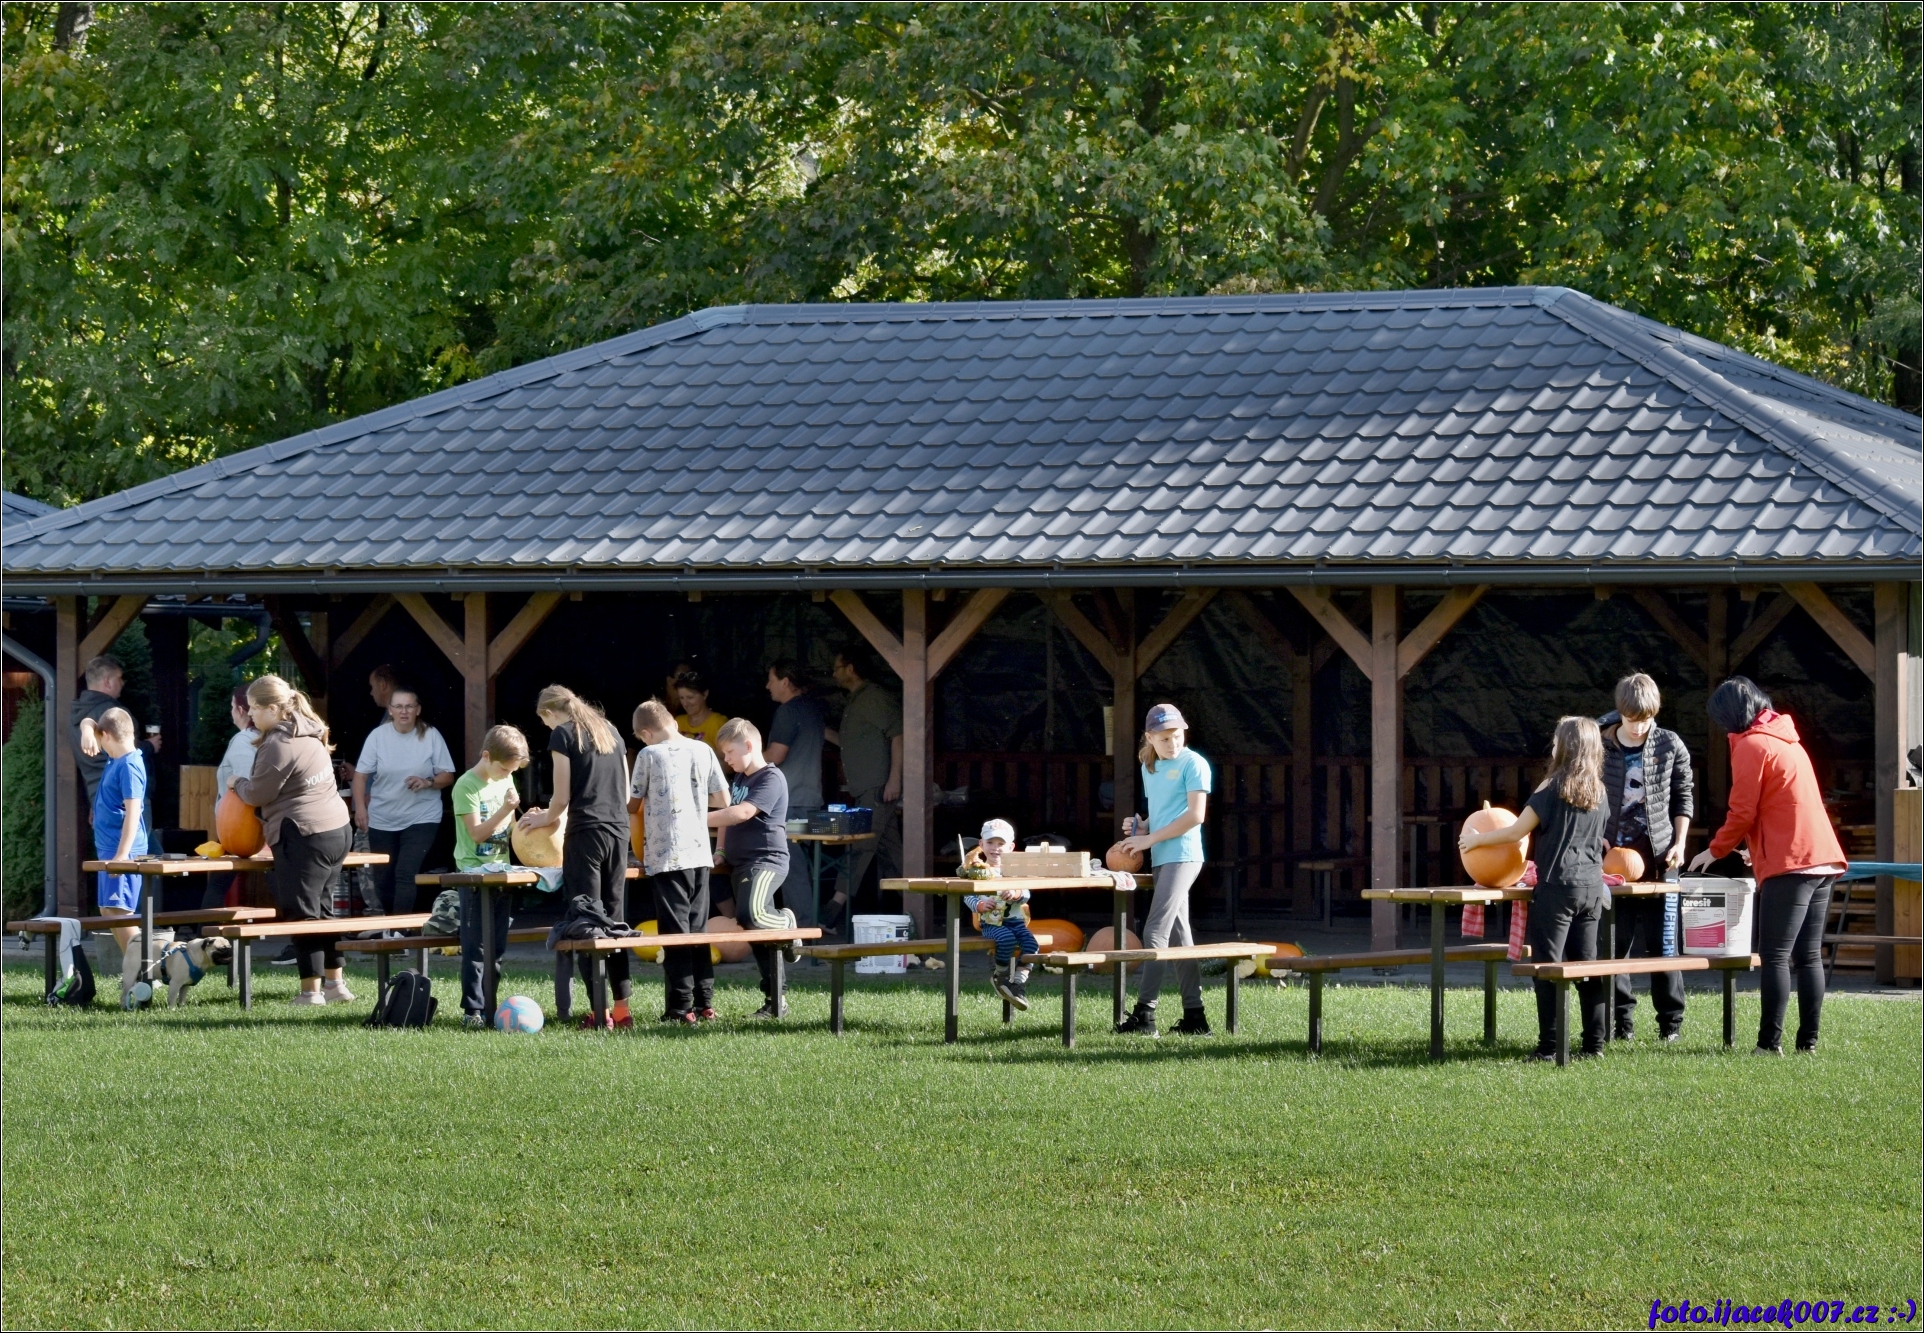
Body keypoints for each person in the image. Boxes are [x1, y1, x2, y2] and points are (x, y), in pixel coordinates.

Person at [1688, 677, 1847, 1056]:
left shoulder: (1752, 745)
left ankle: (1768, 1044)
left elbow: (1742, 811)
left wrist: (1715, 850)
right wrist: (1755, 849)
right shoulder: (1788, 742)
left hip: (1791, 863)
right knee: (1809, 956)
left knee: (1775, 955)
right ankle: (1807, 1043)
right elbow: (1782, 807)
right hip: (1823, 858)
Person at [1462, 716, 1612, 1059]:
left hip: (1556, 887)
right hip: (1591, 888)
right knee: (1588, 969)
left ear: (1567, 746)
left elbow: (1517, 831)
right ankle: (1594, 1045)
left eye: (1557, 740)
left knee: (1546, 967)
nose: (1553, 745)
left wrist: (1477, 840)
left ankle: (1549, 1046)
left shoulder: (1551, 786)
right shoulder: (1600, 791)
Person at [230, 675, 355, 1006]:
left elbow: (258, 793)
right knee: (323, 908)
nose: (250, 714)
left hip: (304, 833)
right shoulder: (311, 730)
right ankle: (335, 985)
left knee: (302, 911)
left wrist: (236, 782)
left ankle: (310, 992)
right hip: (337, 829)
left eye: (254, 708)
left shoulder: (279, 743)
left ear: (273, 709)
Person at [517, 685, 633, 1029]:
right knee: (615, 921)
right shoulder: (609, 730)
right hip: (619, 831)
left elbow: (562, 796)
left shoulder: (563, 735)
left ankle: (599, 1012)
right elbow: (626, 792)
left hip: (585, 832)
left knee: (586, 920)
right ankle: (622, 1010)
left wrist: (545, 819)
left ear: (549, 713)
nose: (547, 727)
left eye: (544, 721)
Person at [1598, 672, 1695, 1041]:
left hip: (1659, 859)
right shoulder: (1600, 744)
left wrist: (1679, 843)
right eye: (1631, 719)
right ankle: (1621, 1023)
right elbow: (1587, 793)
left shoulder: (1670, 744)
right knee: (1614, 944)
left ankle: (1670, 1025)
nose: (1638, 727)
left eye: (1646, 719)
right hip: (1612, 859)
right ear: (1620, 712)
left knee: (1664, 944)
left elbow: (1683, 797)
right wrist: (1596, 836)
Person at [1114, 704, 1215, 1037]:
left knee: (1155, 930)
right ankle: (1195, 1019)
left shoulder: (1194, 763)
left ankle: (1145, 1016)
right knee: (1178, 936)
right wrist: (1142, 827)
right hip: (1161, 856)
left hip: (1183, 856)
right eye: (1165, 738)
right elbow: (1163, 813)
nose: (1173, 743)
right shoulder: (1150, 767)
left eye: (1178, 735)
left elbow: (1195, 816)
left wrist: (1150, 839)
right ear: (1150, 738)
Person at [631, 699, 729, 1024]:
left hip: (666, 855)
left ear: (646, 733)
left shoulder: (648, 755)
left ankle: (680, 1007)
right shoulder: (703, 750)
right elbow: (723, 799)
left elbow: (632, 804)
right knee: (698, 931)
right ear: (672, 721)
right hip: (700, 853)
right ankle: (705, 1003)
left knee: (674, 933)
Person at [708, 718, 801, 1019]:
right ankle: (776, 1002)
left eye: (729, 752)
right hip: (741, 865)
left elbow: (742, 813)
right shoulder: (740, 779)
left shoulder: (770, 778)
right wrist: (721, 851)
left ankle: (787, 923)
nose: (726, 758)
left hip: (765, 862)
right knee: (758, 933)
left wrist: (695, 819)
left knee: (751, 916)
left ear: (748, 746)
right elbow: (726, 816)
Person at [352, 686, 455, 917]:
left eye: (409, 706)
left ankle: (400, 930)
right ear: (390, 710)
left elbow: (448, 775)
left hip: (422, 816)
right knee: (383, 877)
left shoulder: (431, 735)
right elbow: (360, 776)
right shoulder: (377, 736)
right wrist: (360, 808)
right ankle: (392, 924)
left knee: (405, 873)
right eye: (398, 706)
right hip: (382, 816)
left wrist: (427, 782)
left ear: (418, 710)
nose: (404, 711)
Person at [450, 724, 528, 1029]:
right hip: (473, 875)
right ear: (486, 756)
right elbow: (477, 833)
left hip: (501, 873)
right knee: (475, 947)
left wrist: (529, 823)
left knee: (496, 947)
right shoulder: (466, 786)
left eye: (512, 770)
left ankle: (490, 1007)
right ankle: (472, 1011)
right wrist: (505, 810)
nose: (508, 774)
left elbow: (512, 826)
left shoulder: (505, 777)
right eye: (504, 768)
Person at [820, 648, 903, 932]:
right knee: (892, 853)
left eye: (837, 667)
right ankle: (917, 906)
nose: (833, 674)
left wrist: (894, 780)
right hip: (866, 789)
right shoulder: (856, 701)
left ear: (851, 668)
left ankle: (833, 910)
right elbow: (847, 741)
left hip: (877, 788)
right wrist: (819, 729)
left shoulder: (874, 697)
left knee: (861, 846)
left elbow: (898, 735)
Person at [89, 707, 148, 998]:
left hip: (122, 851)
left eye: (100, 739)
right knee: (108, 911)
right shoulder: (116, 758)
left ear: (107, 735)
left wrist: (122, 856)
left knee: (119, 912)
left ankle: (149, 970)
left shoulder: (129, 765)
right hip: (109, 849)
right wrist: (87, 729)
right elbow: (89, 721)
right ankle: (138, 970)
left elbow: (134, 812)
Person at [765, 659, 826, 925]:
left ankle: (801, 926)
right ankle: (804, 922)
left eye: (771, 680)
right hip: (810, 799)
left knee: (790, 867)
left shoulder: (787, 711)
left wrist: (747, 760)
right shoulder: (813, 709)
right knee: (800, 866)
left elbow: (776, 755)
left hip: (788, 800)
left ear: (785, 682)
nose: (767, 686)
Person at [965, 818, 1036, 1011]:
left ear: (1011, 847)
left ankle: (1018, 983)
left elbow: (1026, 893)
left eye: (1001, 844)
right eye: (990, 843)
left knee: (1032, 945)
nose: (995, 848)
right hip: (992, 923)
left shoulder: (1015, 872)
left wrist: (1016, 893)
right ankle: (1000, 976)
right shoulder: (977, 870)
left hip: (1016, 921)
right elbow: (967, 895)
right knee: (1006, 939)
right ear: (981, 844)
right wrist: (980, 905)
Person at [206, 682, 262, 908]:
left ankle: (204, 929)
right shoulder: (267, 737)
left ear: (240, 710)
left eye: (232, 707)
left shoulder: (243, 739)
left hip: (242, 823)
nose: (231, 712)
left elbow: (247, 782)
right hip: (255, 822)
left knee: (216, 886)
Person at [71, 655, 127, 806]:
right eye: (119, 678)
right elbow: (127, 753)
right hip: (122, 795)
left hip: (96, 796)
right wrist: (150, 746)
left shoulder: (76, 714)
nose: (122, 683)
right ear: (107, 682)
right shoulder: (113, 713)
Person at [674, 671, 730, 760]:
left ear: (705, 694)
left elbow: (728, 764)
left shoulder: (718, 723)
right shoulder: (677, 722)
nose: (685, 703)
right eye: (681, 698)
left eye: (690, 697)